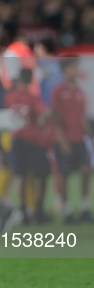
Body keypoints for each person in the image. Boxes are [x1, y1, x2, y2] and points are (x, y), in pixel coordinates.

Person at [6, 68, 51, 225]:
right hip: (33, 140)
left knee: (21, 177)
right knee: (42, 175)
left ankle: (24, 211)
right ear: (31, 80)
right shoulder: (32, 97)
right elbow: (43, 114)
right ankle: (38, 211)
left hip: (16, 139)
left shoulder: (10, 96)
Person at [52, 58, 93, 224]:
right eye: (73, 68)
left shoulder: (79, 91)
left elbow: (82, 117)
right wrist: (62, 142)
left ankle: (84, 207)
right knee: (65, 174)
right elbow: (56, 118)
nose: (76, 71)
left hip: (79, 138)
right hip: (64, 139)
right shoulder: (58, 91)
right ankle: (67, 211)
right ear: (65, 70)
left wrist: (90, 136)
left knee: (86, 171)